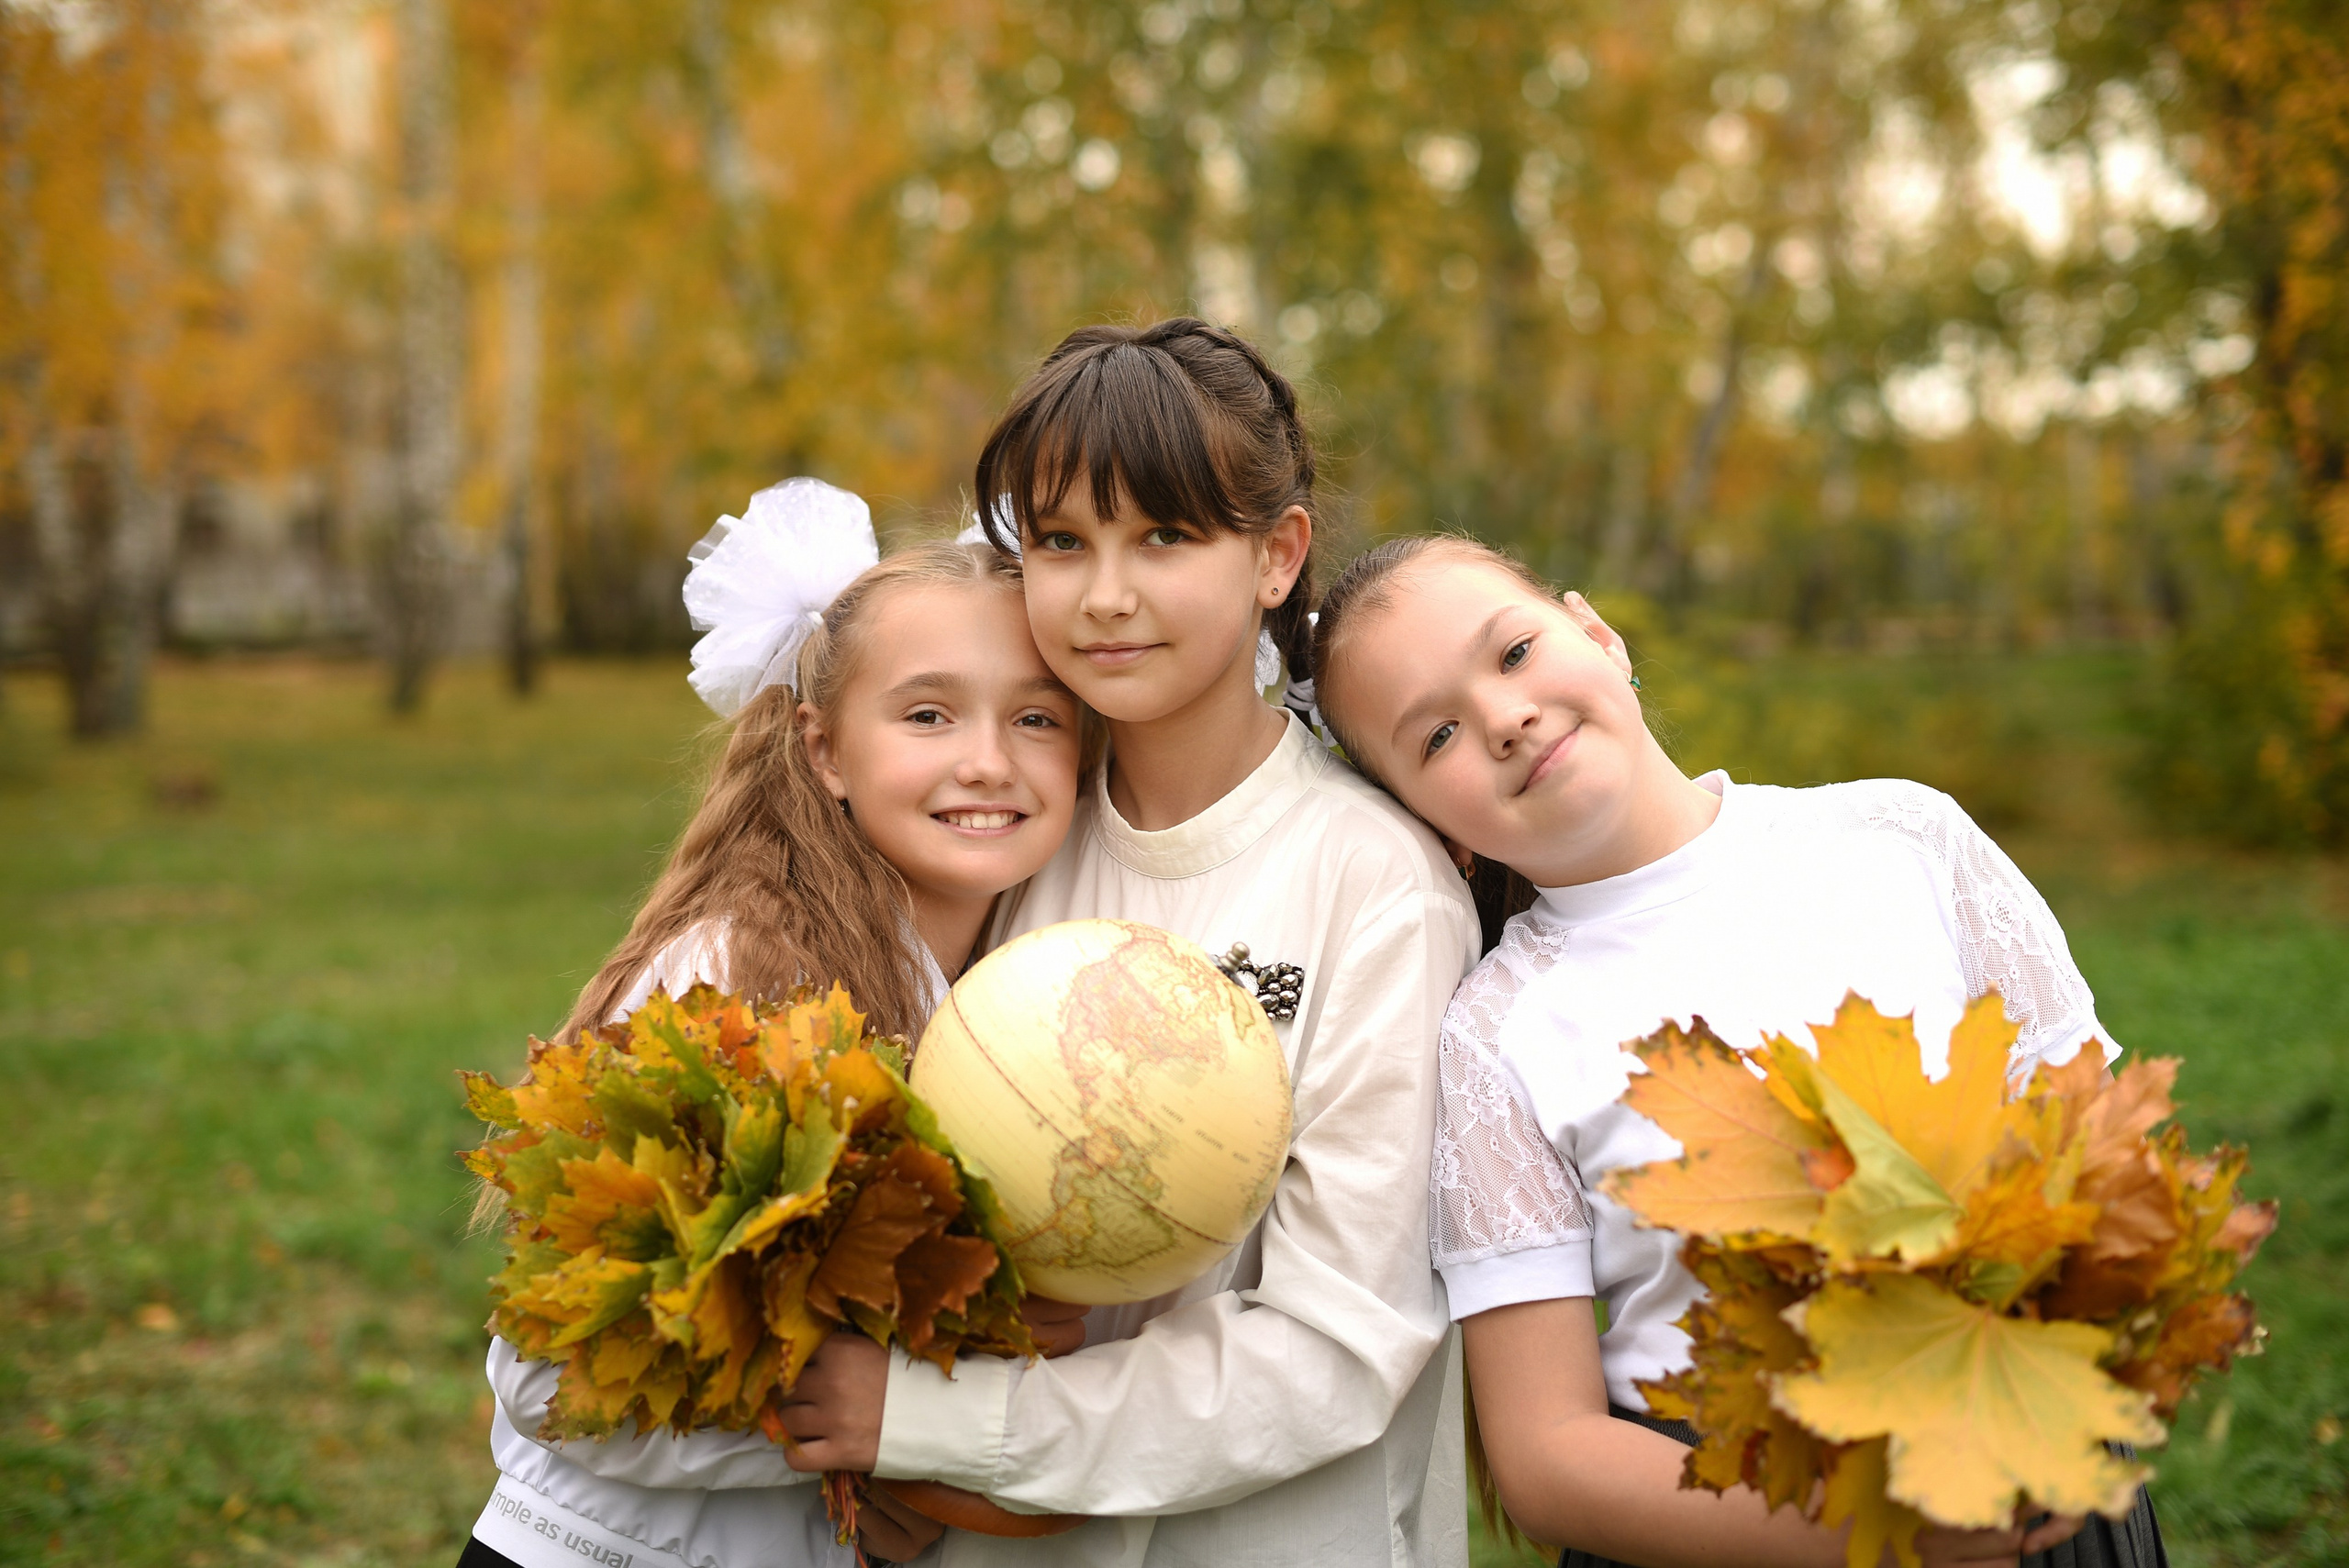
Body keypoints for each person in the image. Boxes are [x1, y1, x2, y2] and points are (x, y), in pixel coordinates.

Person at [1303, 533, 2170, 1568]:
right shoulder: (1495, 1034)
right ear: (1430, 826)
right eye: (1436, 733)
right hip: (1734, 1515)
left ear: (1597, 631)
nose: (1503, 716)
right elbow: (1544, 1456)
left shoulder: (1902, 839)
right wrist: (1869, 1528)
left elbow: (2111, 1159)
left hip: (2031, 1461)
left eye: (1515, 652)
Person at [774, 319, 1483, 1567]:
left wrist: (938, 1421)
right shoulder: (1008, 840)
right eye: (1060, 541)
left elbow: (1337, 1346)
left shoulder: (1374, 883)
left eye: (1165, 535)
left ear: (1277, 556)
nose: (1105, 595)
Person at [460, 478, 1089, 1568]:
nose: (989, 758)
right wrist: (872, 1430)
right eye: (928, 712)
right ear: (825, 748)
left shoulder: (1017, 984)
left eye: (1036, 716)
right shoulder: (728, 984)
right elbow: (544, 1376)